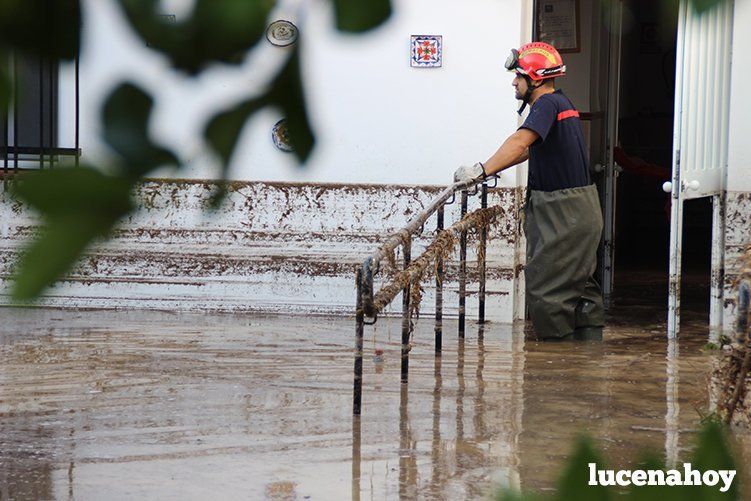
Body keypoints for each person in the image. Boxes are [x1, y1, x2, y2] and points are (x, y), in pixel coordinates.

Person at [454, 42, 604, 341]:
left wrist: (481, 170)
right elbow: (528, 148)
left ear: (534, 78)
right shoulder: (563, 104)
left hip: (564, 214)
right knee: (579, 288)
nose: (513, 82)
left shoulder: (546, 105)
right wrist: (494, 168)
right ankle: (585, 370)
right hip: (580, 211)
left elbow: (521, 142)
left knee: (548, 289)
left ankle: (551, 374)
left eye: (518, 76)